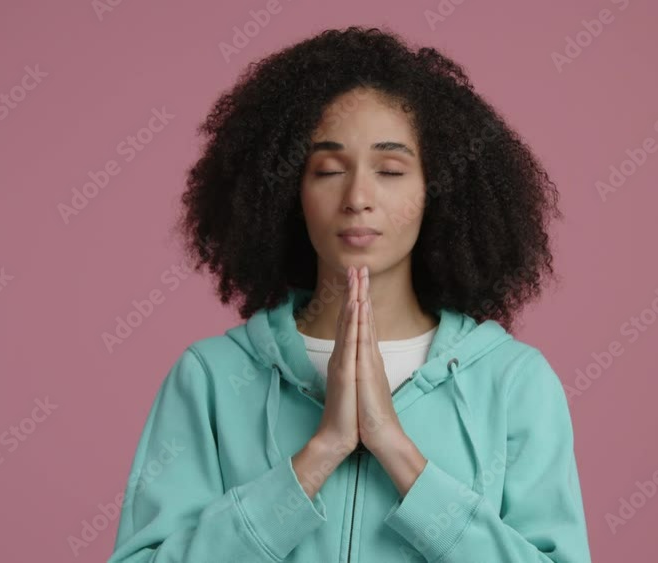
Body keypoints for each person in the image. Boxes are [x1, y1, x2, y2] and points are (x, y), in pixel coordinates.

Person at [108, 25, 592, 563]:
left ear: (439, 192)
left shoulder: (513, 382)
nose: (358, 197)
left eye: (390, 170)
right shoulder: (211, 378)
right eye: (328, 170)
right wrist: (319, 455)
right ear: (288, 193)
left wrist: (397, 450)